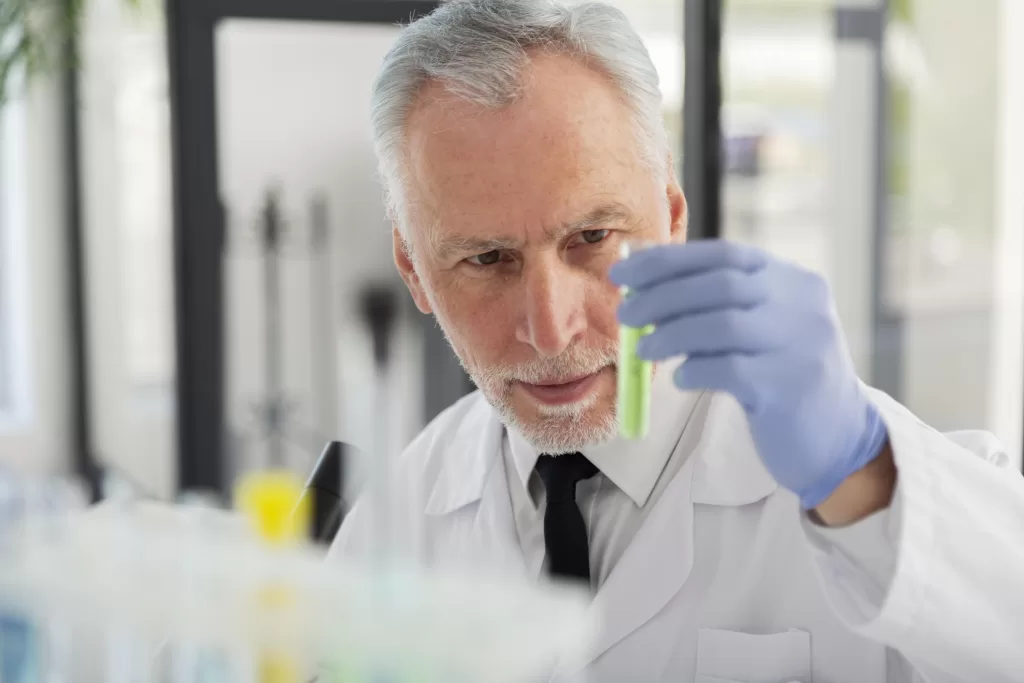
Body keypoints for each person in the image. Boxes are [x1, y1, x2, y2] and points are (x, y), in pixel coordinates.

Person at [328, 0, 1024, 680]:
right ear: (414, 271)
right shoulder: (395, 527)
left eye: (592, 237)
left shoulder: (871, 485)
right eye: (486, 259)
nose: (550, 327)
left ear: (671, 213)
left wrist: (863, 471)